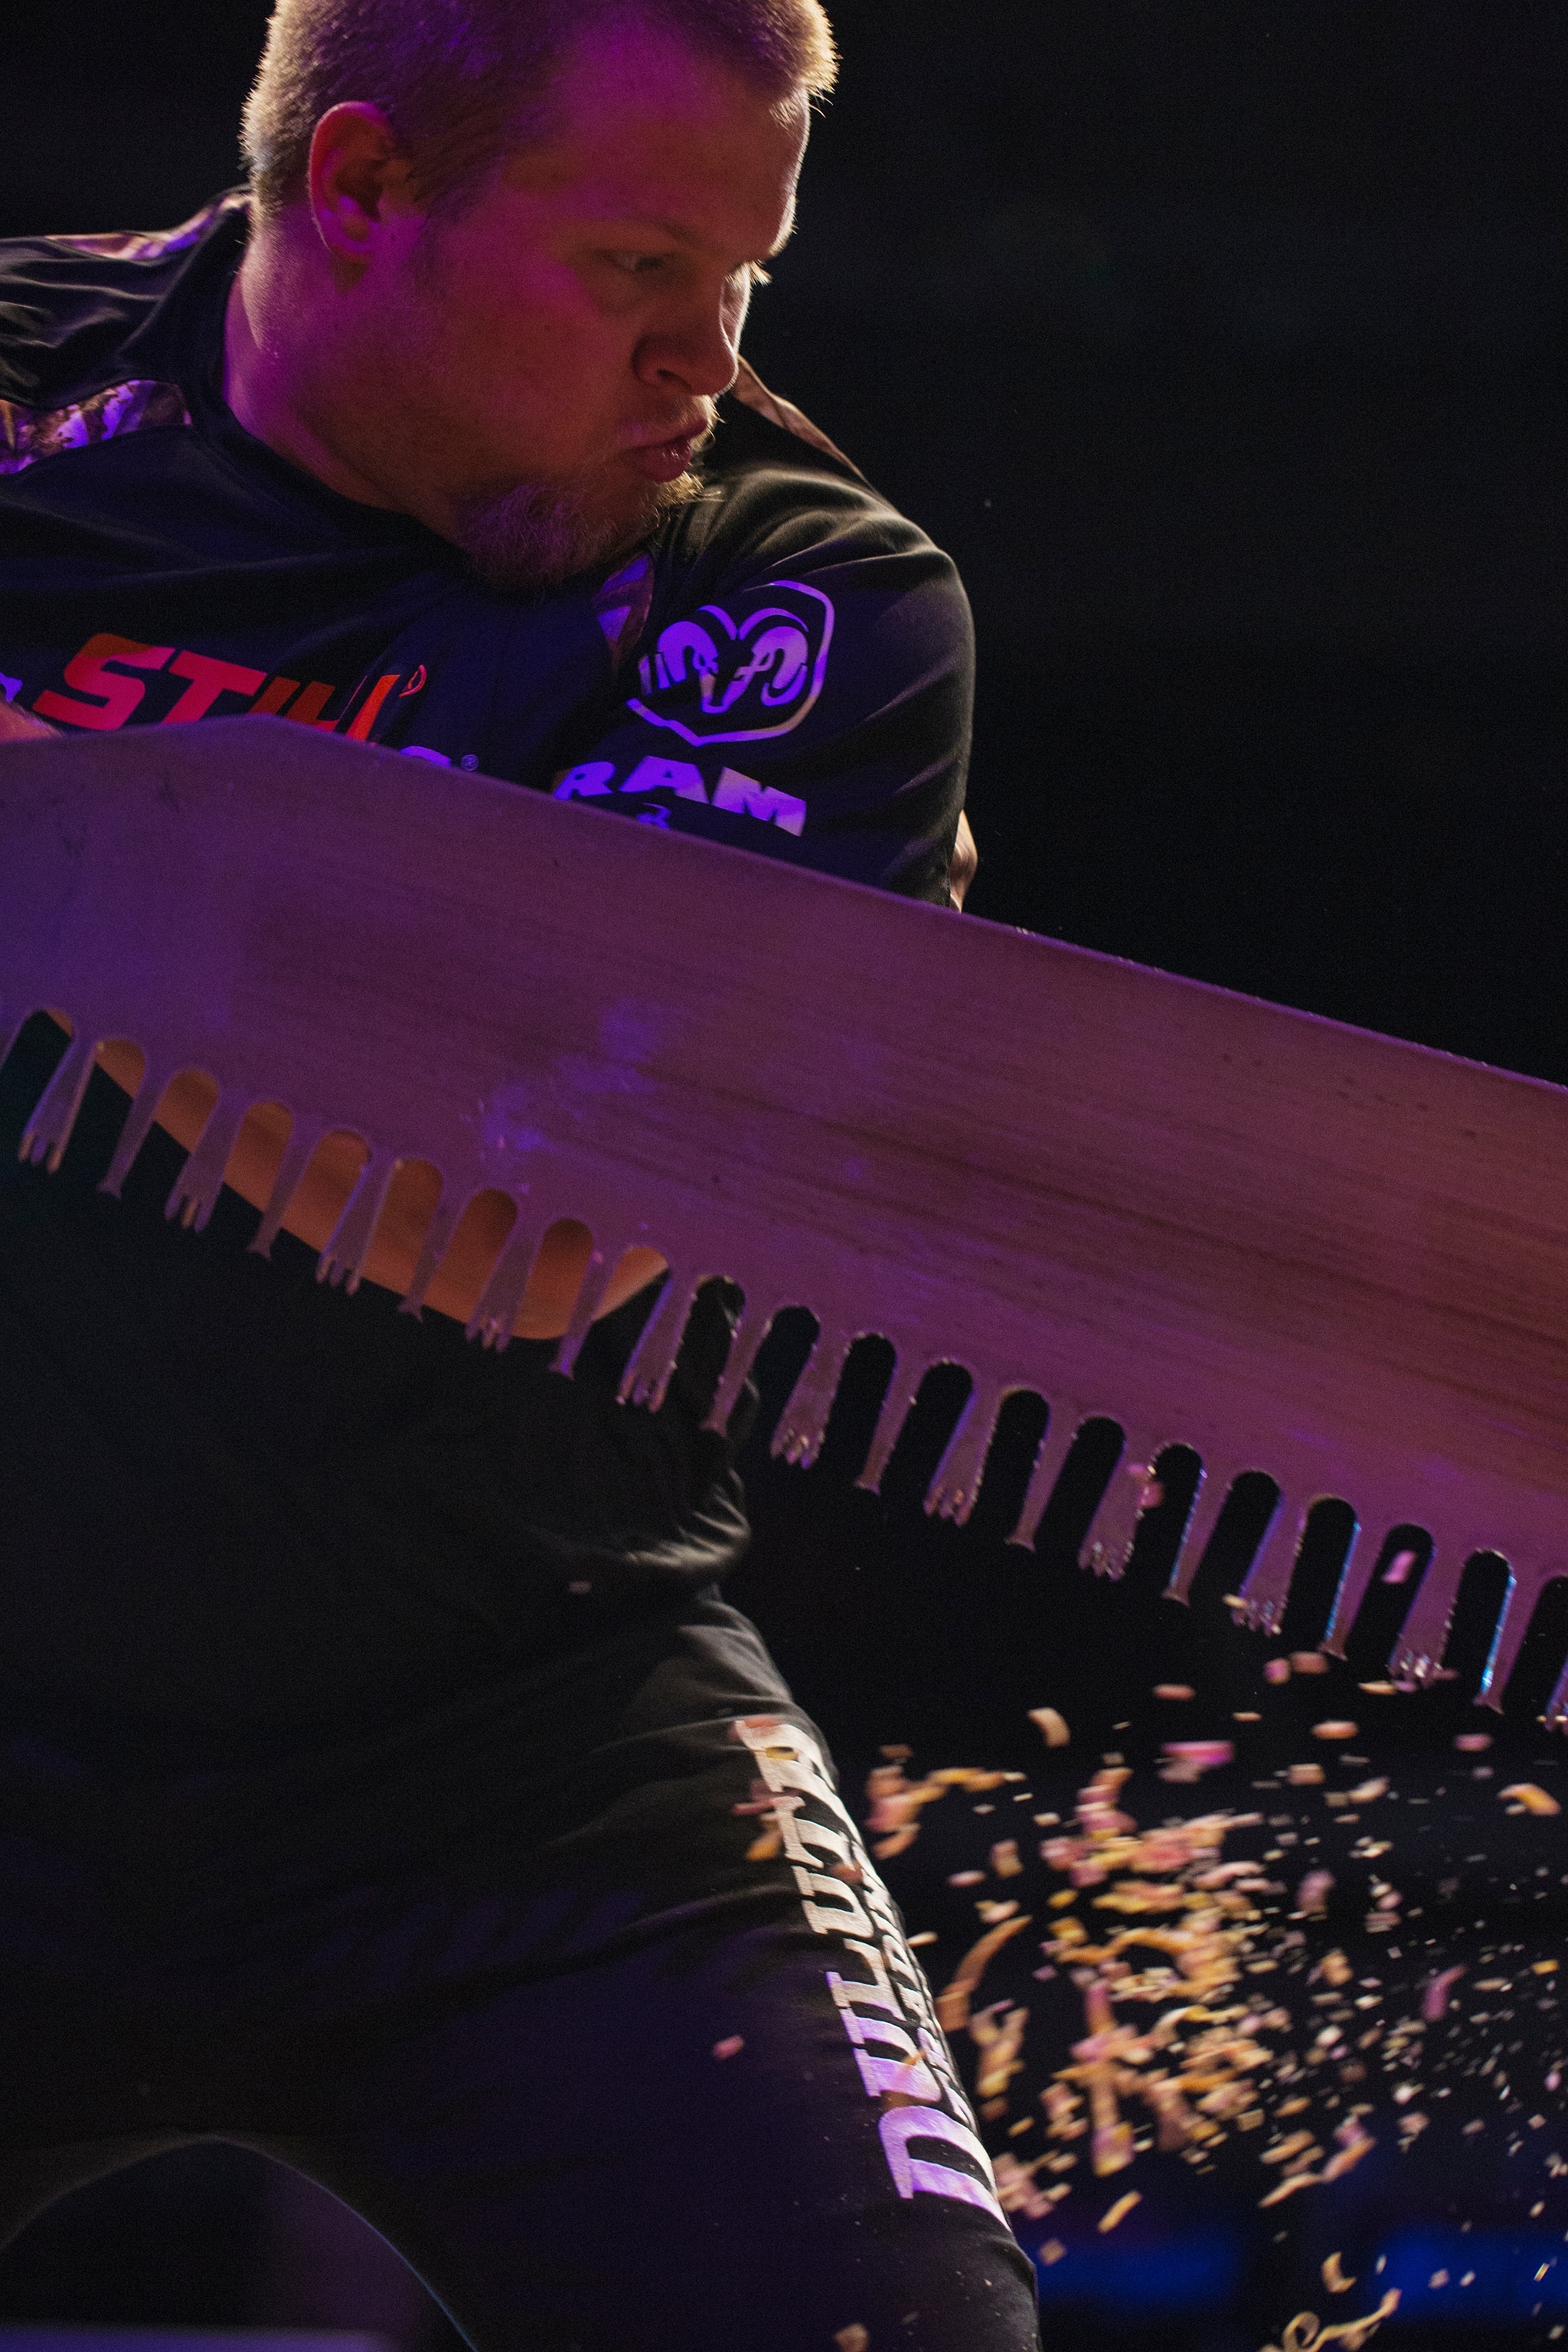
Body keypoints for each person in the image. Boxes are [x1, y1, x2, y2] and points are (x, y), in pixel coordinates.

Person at [0, 2, 1038, 2344]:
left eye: (744, 286)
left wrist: (64, 863)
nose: (705, 365)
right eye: (639, 271)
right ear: (360, 188)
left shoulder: (811, 605)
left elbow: (528, 1239)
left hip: (526, 1742)